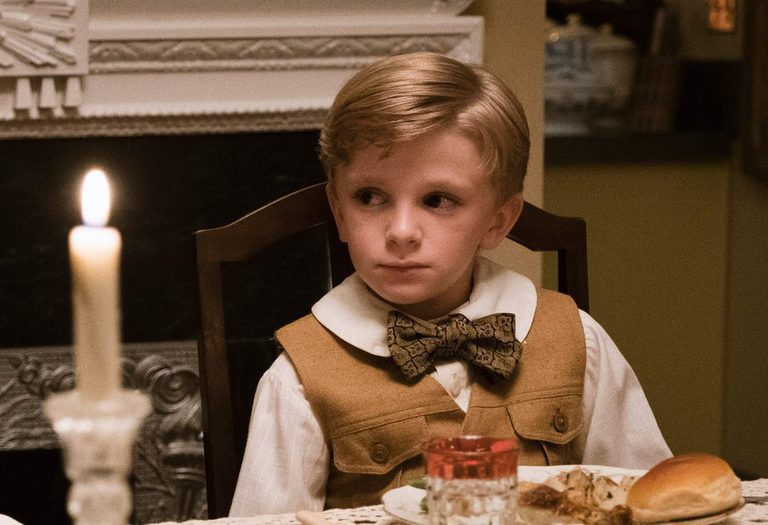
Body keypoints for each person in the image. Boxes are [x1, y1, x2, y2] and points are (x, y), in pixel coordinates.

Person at [229, 52, 671, 515]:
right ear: (340, 212)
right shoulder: (299, 377)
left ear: (498, 221)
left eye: (438, 200)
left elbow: (648, 502)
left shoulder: (577, 340)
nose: (401, 232)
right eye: (370, 197)